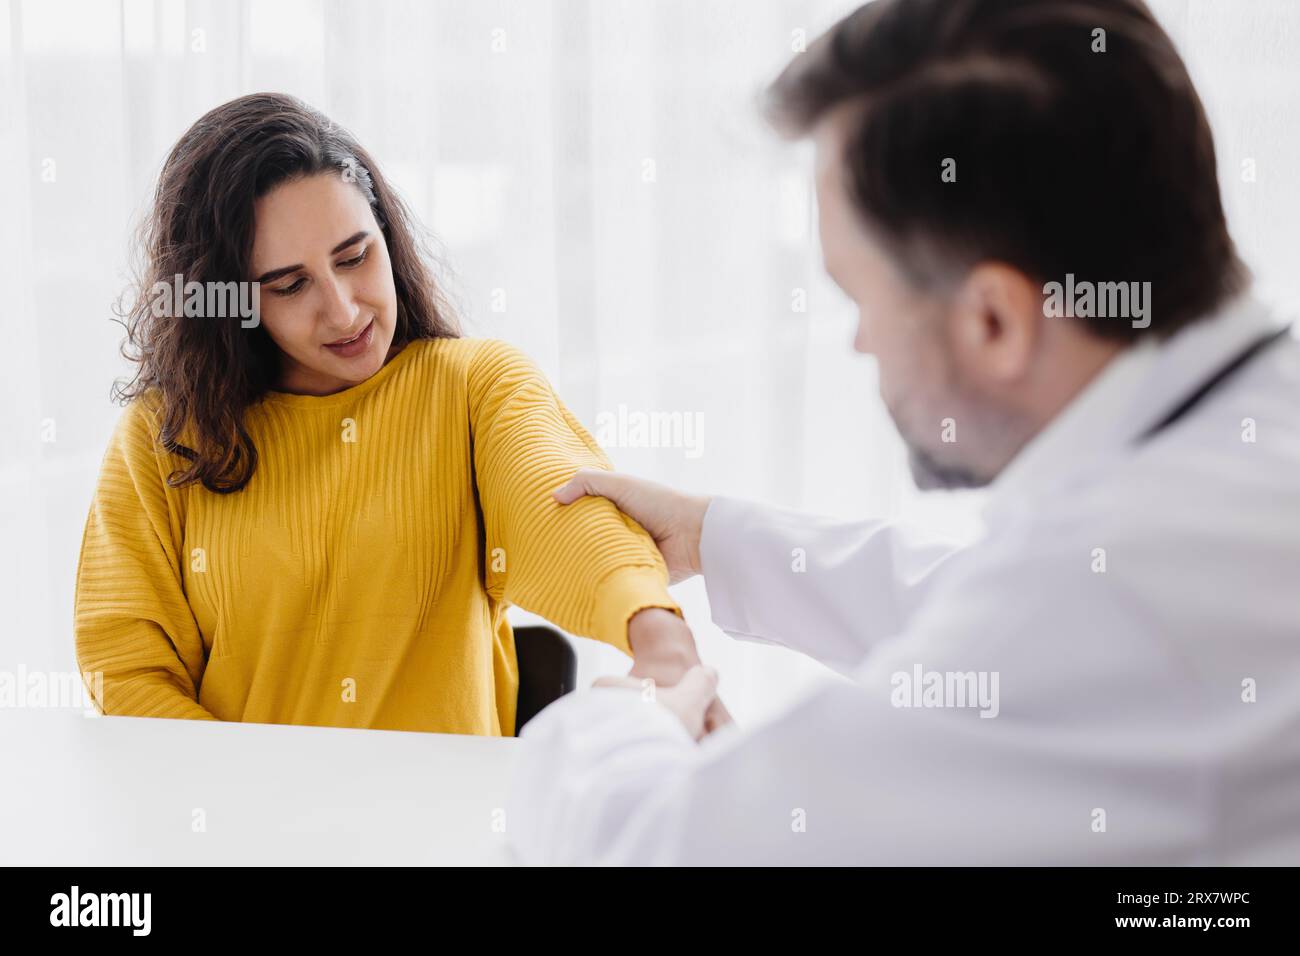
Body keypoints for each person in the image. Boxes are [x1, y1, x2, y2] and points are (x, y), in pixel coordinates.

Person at [506, 0, 1300, 864]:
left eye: (859, 295)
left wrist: (624, 718)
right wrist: (717, 538)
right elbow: (997, 611)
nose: (859, 341)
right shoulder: (1235, 453)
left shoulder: (1109, 595)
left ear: (994, 320)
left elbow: (659, 845)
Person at [73, 92, 725, 736]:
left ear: (388, 236)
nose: (345, 309)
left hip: (448, 837)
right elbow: (127, 671)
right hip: (251, 834)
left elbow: (565, 512)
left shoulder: (472, 387)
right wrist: (254, 813)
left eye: (355, 257)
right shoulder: (164, 439)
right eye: (291, 285)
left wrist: (659, 635)